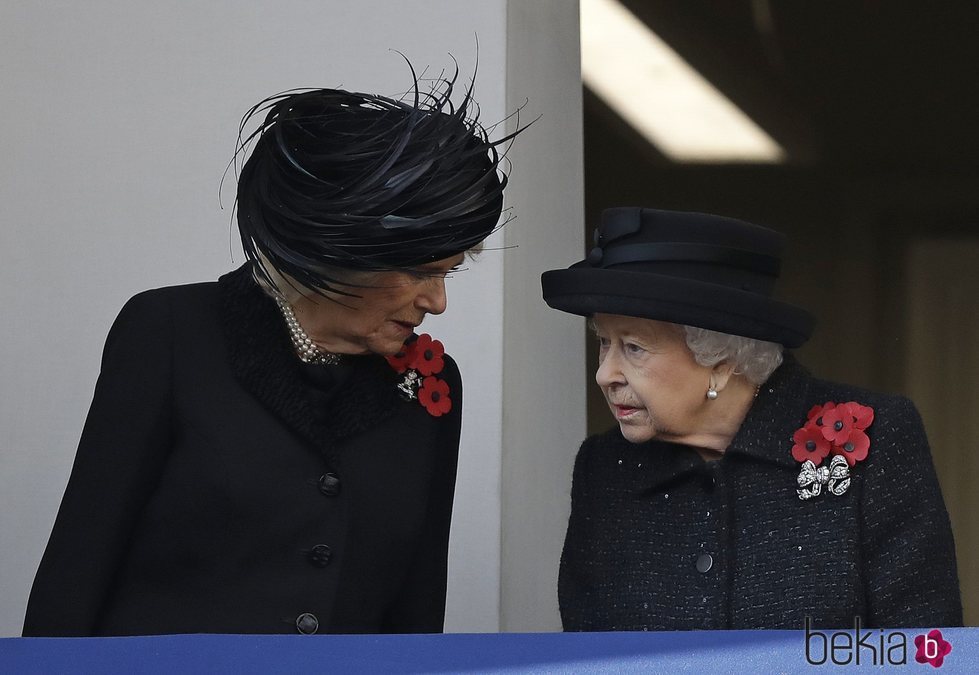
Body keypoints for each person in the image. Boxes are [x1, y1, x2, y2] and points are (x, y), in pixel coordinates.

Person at [24, 67, 517, 636]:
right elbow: (82, 558)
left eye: (450, 272)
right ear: (341, 248)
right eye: (421, 273)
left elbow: (417, 601)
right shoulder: (170, 333)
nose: (438, 302)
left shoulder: (433, 386)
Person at [541, 207, 962, 630]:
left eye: (633, 348)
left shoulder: (878, 438)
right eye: (604, 343)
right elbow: (587, 654)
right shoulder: (603, 468)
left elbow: (923, 647)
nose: (605, 374)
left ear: (721, 362)